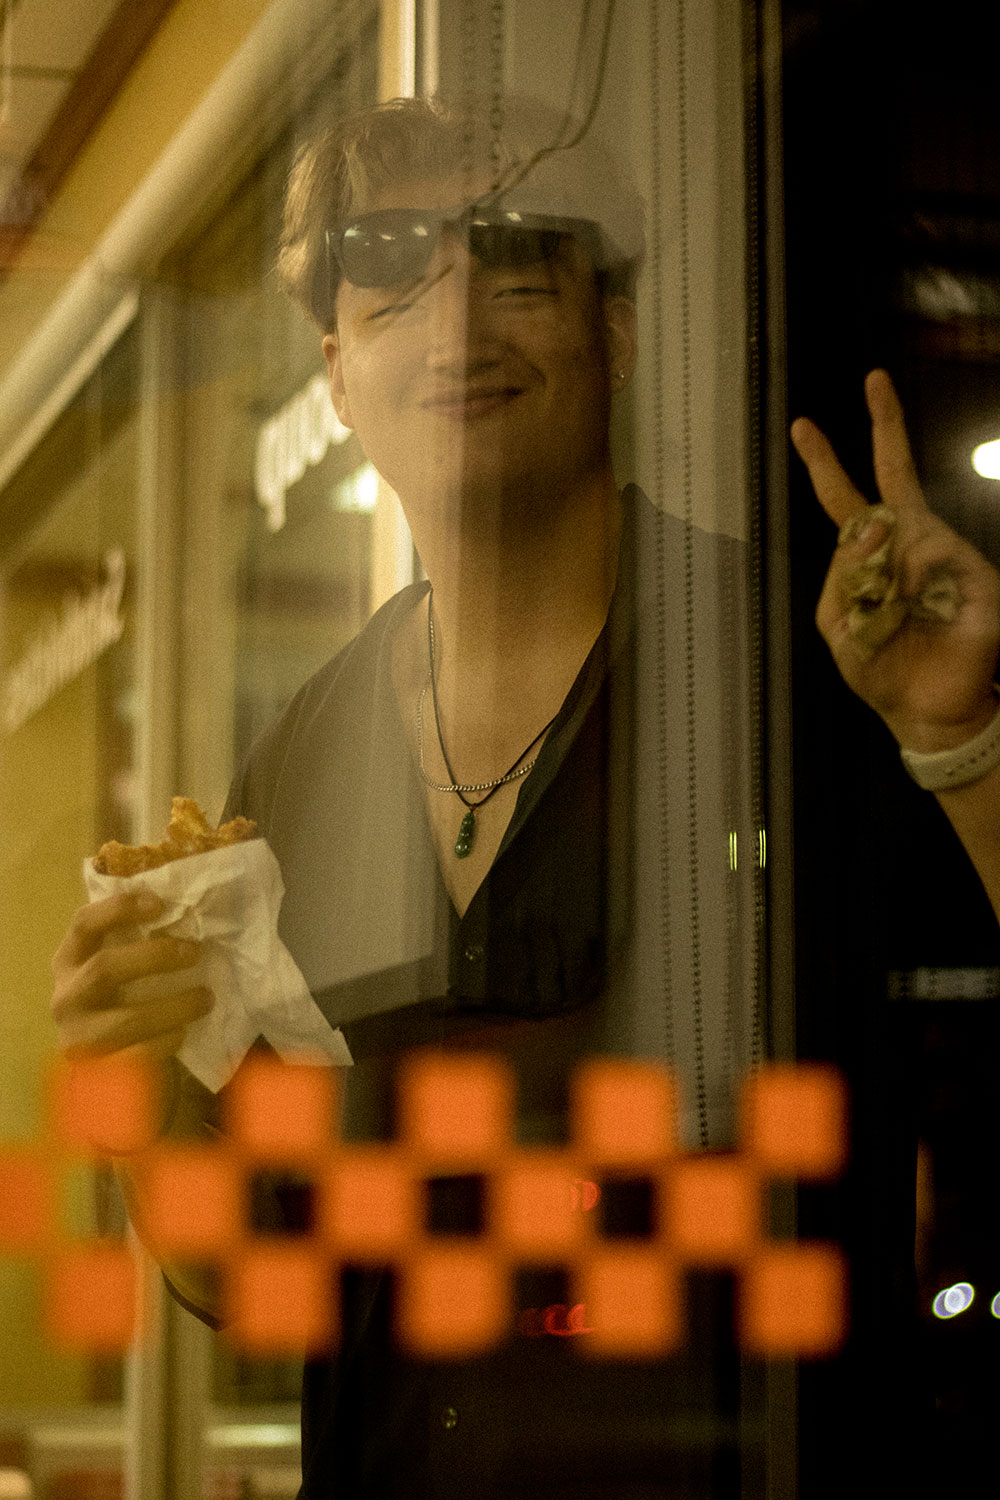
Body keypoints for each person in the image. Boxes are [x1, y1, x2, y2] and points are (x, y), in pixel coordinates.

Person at [50, 95, 1000, 1496]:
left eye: (512, 268)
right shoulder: (291, 775)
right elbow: (246, 1281)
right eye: (395, 283)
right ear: (338, 371)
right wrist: (133, 1100)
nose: (454, 323)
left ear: (614, 335)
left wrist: (961, 738)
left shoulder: (796, 673)